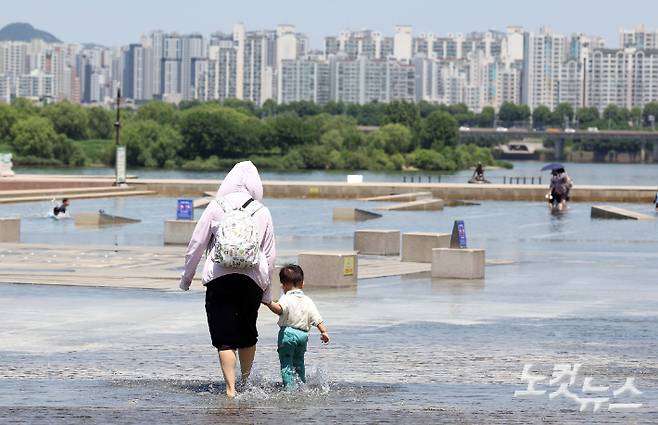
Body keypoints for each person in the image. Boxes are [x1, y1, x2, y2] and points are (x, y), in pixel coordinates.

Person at [179, 161, 276, 398]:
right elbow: (270, 254)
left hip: (219, 278)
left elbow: (196, 245)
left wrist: (187, 278)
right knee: (247, 331)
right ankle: (246, 383)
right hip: (252, 280)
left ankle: (230, 389)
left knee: (224, 337)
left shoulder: (215, 207)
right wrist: (266, 291)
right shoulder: (262, 211)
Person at [265, 264, 329, 389]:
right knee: (299, 362)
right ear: (302, 284)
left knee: (287, 364)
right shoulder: (307, 300)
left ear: (283, 285)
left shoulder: (286, 298)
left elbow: (279, 310)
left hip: (288, 335)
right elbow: (316, 318)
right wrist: (324, 332)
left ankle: (289, 389)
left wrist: (268, 302)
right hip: (303, 336)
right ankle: (302, 386)